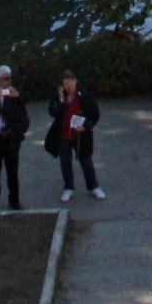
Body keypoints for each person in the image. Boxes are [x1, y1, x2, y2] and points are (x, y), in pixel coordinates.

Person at [46, 69, 103, 203]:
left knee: (86, 160)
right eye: (65, 84)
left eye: (70, 83)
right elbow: (52, 112)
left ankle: (93, 186)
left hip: (80, 134)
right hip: (64, 134)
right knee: (65, 162)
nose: (68, 86)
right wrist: (60, 98)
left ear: (75, 81)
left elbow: (95, 114)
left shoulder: (84, 94)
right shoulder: (60, 96)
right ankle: (68, 187)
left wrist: (86, 126)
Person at [0, 65, 30, 210]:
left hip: (11, 137)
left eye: (9, 78)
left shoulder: (14, 92)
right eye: (4, 78)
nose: (8, 81)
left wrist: (18, 96)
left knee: (12, 172)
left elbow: (25, 102)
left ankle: (14, 201)